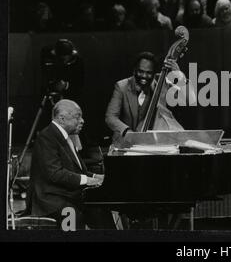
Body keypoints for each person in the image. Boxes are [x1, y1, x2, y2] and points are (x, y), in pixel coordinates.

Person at [27, 100, 106, 229]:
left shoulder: (65, 137)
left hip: (67, 195)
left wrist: (98, 177)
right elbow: (55, 174)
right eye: (77, 116)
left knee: (101, 210)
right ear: (62, 119)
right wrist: (88, 180)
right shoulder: (46, 137)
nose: (82, 120)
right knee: (74, 215)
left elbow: (78, 171)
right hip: (49, 200)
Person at [105, 51, 194, 142]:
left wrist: (180, 76)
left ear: (154, 73)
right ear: (134, 70)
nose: (144, 76)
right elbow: (110, 117)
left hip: (152, 143)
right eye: (140, 71)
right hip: (125, 142)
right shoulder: (121, 86)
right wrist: (128, 132)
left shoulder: (161, 83)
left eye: (148, 73)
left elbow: (189, 99)